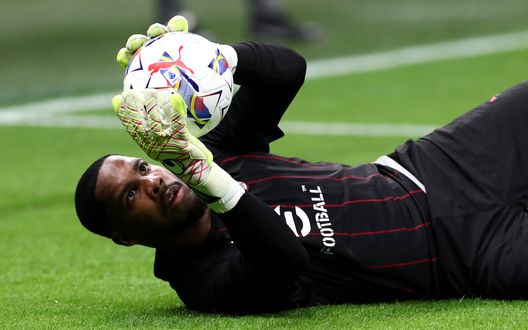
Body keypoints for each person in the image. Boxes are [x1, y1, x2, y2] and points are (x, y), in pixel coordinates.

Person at [75, 17, 528, 314]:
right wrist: (202, 172)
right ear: (126, 236)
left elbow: (287, 70)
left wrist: (212, 58)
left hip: (435, 169)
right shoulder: (203, 283)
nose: (152, 180)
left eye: (141, 167)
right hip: (465, 254)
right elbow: (283, 259)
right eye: (130, 194)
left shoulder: (222, 150)